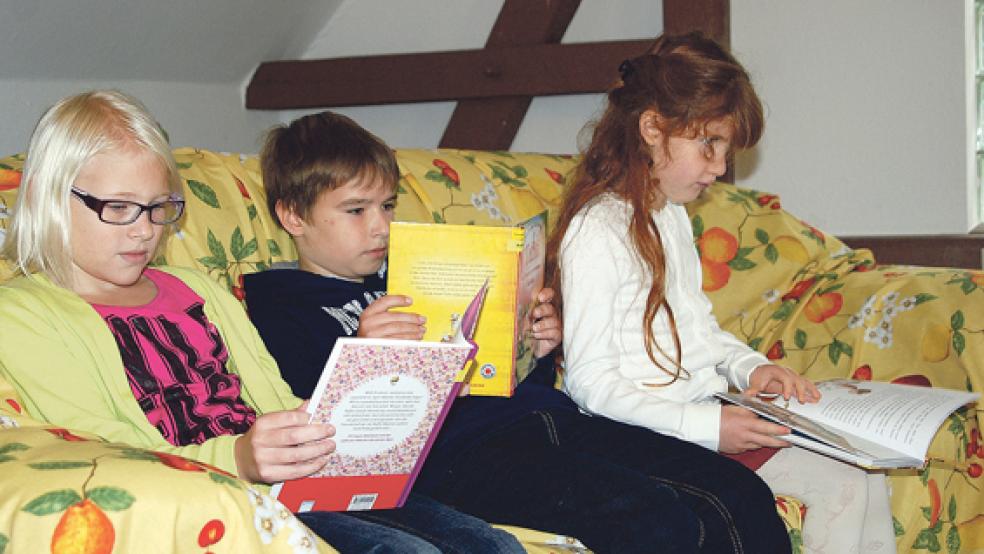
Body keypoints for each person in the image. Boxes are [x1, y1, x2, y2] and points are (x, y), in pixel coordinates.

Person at [244, 109, 793, 553]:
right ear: (293, 216)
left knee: (736, 491)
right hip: (460, 457)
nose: (382, 226)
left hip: (540, 417)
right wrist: (368, 352)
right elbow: (319, 422)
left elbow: (490, 367)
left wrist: (536, 344)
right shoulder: (278, 304)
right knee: (653, 518)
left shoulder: (416, 269)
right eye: (356, 210)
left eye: (387, 205)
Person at [0, 89, 518, 554]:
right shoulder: (21, 312)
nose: (144, 232)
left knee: (490, 544)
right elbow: (98, 442)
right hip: (213, 496)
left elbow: (272, 395)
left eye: (160, 208)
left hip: (295, 480)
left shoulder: (197, 288)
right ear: (50, 195)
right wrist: (243, 458)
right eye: (119, 208)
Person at [548, 32, 895, 554]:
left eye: (724, 150)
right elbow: (591, 385)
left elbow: (699, 330)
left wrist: (750, 368)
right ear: (651, 130)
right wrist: (709, 426)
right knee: (841, 488)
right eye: (708, 145)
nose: (718, 167)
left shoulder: (667, 214)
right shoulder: (597, 229)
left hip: (697, 409)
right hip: (639, 435)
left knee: (866, 475)